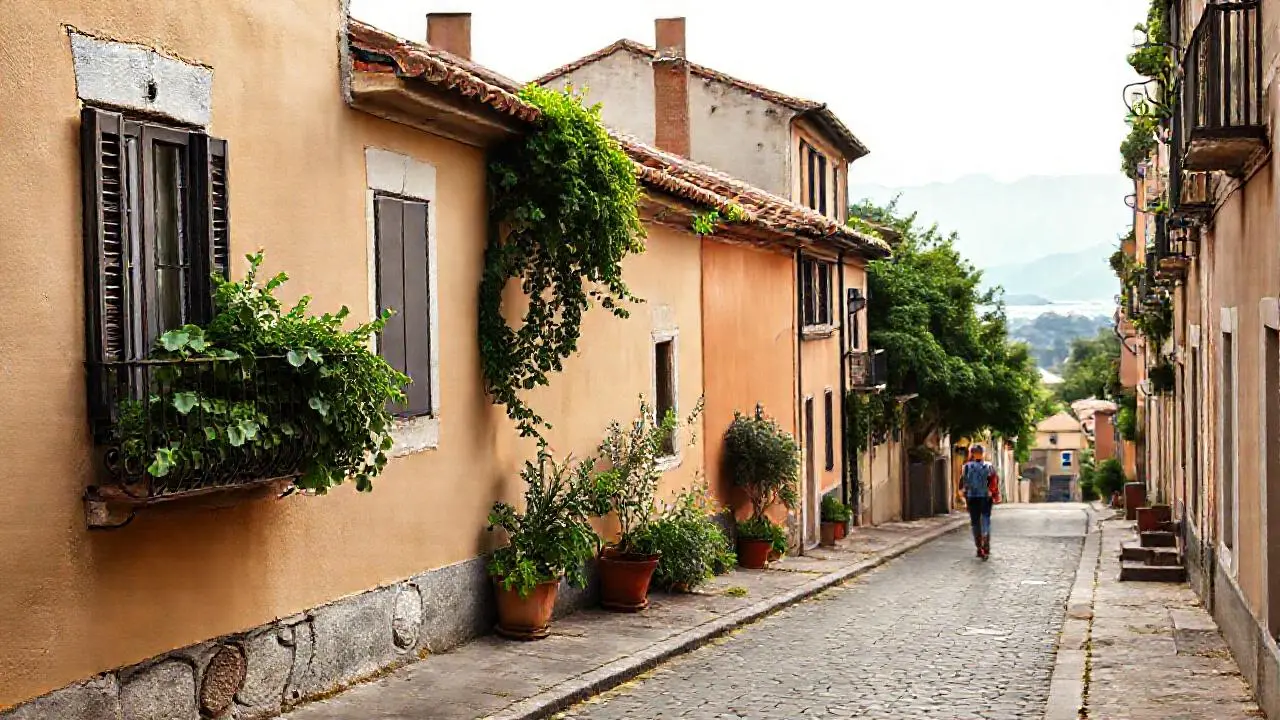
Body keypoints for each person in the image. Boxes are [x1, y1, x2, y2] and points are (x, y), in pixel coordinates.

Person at [960, 444, 1000, 559]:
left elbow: (964, 484)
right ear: (983, 453)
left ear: (972, 453)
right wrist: (995, 494)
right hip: (985, 497)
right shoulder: (989, 466)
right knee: (986, 519)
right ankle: (985, 540)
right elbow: (994, 482)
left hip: (972, 497)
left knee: (975, 522)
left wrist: (964, 497)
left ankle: (979, 547)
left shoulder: (967, 467)